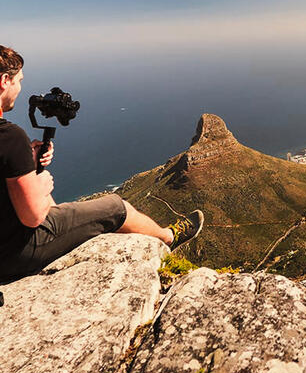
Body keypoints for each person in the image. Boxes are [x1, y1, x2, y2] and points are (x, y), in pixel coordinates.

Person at [0, 45, 203, 283]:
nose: (20, 88)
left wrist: (27, 163)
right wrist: (40, 182)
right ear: (5, 80)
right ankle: (169, 236)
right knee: (117, 207)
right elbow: (33, 217)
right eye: (19, 81)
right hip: (16, 253)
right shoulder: (9, 137)